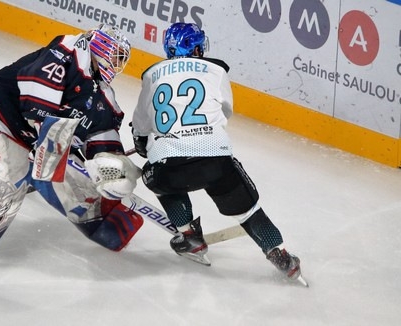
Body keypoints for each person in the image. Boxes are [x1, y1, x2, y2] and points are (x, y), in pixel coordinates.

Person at [0, 24, 145, 300]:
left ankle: (108, 225)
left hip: (38, 144)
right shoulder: (70, 50)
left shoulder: (104, 99)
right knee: (1, 192)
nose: (117, 63)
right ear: (99, 45)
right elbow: (36, 97)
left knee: (79, 181)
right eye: (115, 55)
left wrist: (113, 167)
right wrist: (47, 141)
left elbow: (103, 142)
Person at [131, 22, 307, 285]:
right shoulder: (216, 69)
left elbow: (141, 128)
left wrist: (146, 145)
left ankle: (189, 235)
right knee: (248, 212)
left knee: (154, 176)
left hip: (170, 166)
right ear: (197, 48)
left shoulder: (151, 74)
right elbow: (225, 111)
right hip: (215, 160)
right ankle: (280, 255)